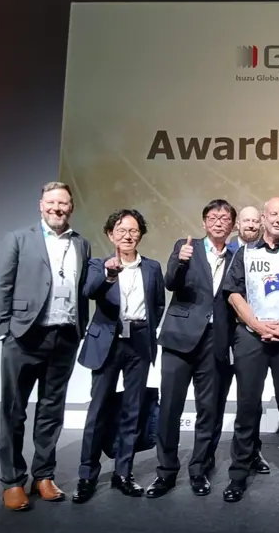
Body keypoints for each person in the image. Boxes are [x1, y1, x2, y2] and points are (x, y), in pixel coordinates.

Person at [0, 182, 91, 510]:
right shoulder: (19, 238)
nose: (57, 208)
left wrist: (80, 329)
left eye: (63, 203)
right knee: (14, 412)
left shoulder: (81, 244)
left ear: (71, 207)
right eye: (51, 202)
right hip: (24, 337)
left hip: (64, 338)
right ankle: (12, 481)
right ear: (41, 205)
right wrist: (4, 331)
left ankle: (43, 475)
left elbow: (82, 289)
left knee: (51, 411)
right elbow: (1, 285)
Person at [222, 197, 279, 503]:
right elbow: (233, 293)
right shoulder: (245, 252)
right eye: (273, 214)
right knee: (247, 407)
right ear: (263, 218)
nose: (278, 219)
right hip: (251, 337)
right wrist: (257, 325)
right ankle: (238, 475)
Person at [73, 209, 165, 503]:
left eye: (133, 230)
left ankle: (123, 473)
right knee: (98, 409)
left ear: (141, 235)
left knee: (132, 410)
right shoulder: (98, 265)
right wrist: (110, 275)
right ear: (111, 235)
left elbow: (158, 304)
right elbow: (89, 291)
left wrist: (146, 330)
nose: (128, 236)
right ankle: (87, 475)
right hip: (107, 343)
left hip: (139, 341)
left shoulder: (152, 267)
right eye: (121, 230)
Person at [148, 200, 239, 499]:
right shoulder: (186, 247)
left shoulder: (236, 257)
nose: (218, 222)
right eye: (213, 217)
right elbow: (170, 282)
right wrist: (180, 261)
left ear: (232, 225)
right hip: (179, 338)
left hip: (215, 340)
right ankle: (166, 472)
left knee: (209, 410)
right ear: (204, 223)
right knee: (170, 408)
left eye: (224, 218)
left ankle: (199, 469)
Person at [215, 205, 270, 475]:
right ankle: (210, 458)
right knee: (219, 398)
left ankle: (252, 452)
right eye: (246, 220)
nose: (250, 225)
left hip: (254, 335)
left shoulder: (268, 253)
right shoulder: (227, 252)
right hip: (224, 333)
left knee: (251, 399)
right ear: (238, 225)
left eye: (254, 221)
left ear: (261, 224)